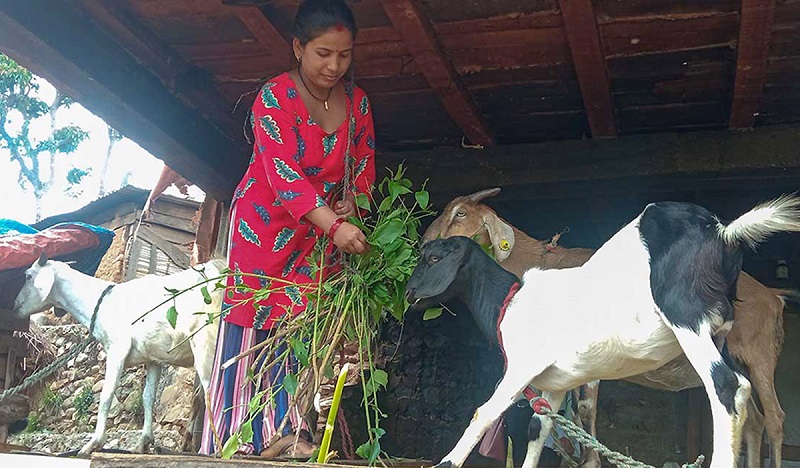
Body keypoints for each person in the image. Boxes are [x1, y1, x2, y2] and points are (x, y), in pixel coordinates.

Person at [201, 0, 375, 456]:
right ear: (298, 48)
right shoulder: (274, 97)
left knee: (302, 328)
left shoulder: (358, 104)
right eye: (323, 53)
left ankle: (290, 429)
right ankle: (239, 439)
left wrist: (350, 206)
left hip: (320, 236)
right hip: (264, 226)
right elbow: (283, 174)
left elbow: (363, 169)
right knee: (254, 320)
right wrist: (334, 225)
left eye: (344, 54)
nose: (334, 65)